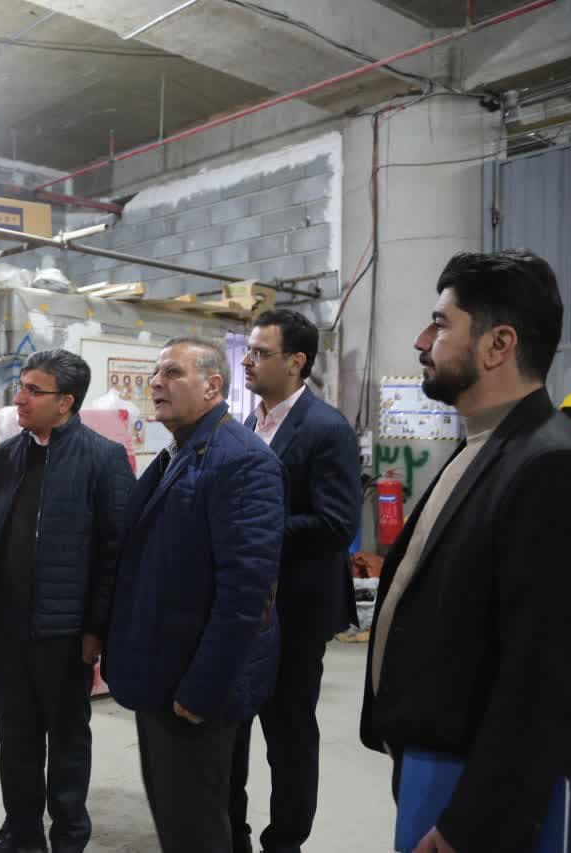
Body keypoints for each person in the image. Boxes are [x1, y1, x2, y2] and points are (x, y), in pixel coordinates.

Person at [361, 250, 571, 853]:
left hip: (473, 786)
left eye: (440, 323)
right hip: (436, 761)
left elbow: (544, 676)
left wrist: (475, 821)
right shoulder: (487, 445)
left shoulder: (549, 465)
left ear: (497, 345)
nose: (421, 340)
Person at [105, 337, 285, 853]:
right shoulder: (180, 451)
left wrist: (201, 690)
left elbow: (246, 594)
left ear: (212, 386)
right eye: (155, 373)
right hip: (160, 673)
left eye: (172, 373)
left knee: (194, 828)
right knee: (178, 817)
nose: (156, 383)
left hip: (191, 687)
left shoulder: (242, 461)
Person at [0, 348, 134, 853]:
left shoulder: (103, 459)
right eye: (21, 387)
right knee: (15, 736)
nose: (19, 398)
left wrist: (96, 628)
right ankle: (21, 832)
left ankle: (69, 839)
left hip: (64, 633)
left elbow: (116, 554)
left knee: (66, 741)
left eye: (33, 390)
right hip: (8, 626)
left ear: (66, 402)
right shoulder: (9, 454)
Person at [230, 310, 360, 853]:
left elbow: (337, 523)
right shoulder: (247, 424)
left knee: (288, 735)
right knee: (232, 731)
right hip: (245, 606)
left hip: (297, 610)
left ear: (296, 362)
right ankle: (231, 835)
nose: (247, 361)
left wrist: (255, 529)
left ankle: (284, 842)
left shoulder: (325, 428)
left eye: (260, 353)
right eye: (249, 351)